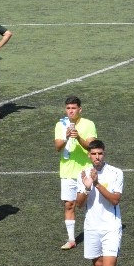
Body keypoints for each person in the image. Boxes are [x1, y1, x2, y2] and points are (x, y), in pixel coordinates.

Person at [75, 140, 123, 266]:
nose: (97, 157)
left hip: (111, 227)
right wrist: (87, 187)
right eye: (94, 154)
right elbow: (79, 204)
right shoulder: (83, 174)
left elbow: (115, 200)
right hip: (92, 227)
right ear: (89, 155)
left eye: (100, 153)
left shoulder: (116, 173)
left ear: (104, 154)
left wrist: (97, 184)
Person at [54, 96, 97, 250]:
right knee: (69, 204)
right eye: (68, 108)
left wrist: (78, 137)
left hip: (85, 171)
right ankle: (71, 239)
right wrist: (66, 137)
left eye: (73, 108)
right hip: (67, 172)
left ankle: (94, 233)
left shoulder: (88, 124)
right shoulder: (60, 125)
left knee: (89, 204)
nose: (71, 111)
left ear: (80, 109)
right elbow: (58, 147)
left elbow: (91, 147)